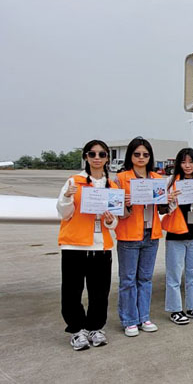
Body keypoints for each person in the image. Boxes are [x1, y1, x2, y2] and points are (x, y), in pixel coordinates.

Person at [56, 140, 118, 351]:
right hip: (75, 246)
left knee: (100, 292)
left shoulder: (113, 186)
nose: (97, 158)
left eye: (102, 154)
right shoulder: (74, 182)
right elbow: (63, 213)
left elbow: (115, 221)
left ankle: (95, 328)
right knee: (72, 291)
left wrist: (110, 219)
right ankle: (77, 330)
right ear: (86, 157)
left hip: (101, 247)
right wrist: (67, 197)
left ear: (107, 158)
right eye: (92, 154)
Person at [160, 148, 193, 325]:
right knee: (174, 275)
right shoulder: (170, 181)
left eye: (190, 162)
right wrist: (170, 201)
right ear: (178, 164)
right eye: (184, 162)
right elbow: (162, 210)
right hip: (176, 234)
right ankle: (175, 310)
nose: (187, 165)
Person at [114, 137, 163, 337]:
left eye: (145, 154)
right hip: (128, 235)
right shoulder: (120, 178)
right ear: (130, 156)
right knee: (127, 279)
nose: (141, 158)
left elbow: (163, 208)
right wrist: (125, 202)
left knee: (145, 278)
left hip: (151, 234)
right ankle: (129, 320)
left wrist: (170, 200)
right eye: (137, 154)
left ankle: (144, 316)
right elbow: (117, 210)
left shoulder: (157, 179)